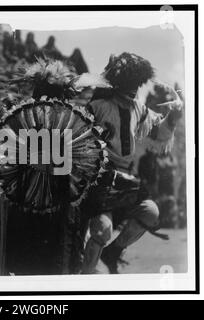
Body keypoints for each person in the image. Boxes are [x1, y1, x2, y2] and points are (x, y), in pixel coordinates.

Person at [81, 52, 183, 274]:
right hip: (100, 181)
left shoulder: (139, 108)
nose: (135, 88)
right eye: (131, 83)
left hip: (125, 181)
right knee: (102, 231)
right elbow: (77, 139)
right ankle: (84, 279)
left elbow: (160, 133)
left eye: (138, 83)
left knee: (150, 212)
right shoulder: (97, 107)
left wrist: (173, 117)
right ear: (119, 83)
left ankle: (113, 253)